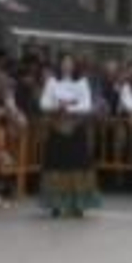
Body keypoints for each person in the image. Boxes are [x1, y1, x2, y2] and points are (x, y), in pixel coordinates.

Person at [38, 54, 100, 218]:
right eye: (64, 62)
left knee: (77, 165)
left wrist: (70, 108)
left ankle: (78, 204)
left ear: (74, 65)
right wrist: (57, 106)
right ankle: (56, 204)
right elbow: (43, 103)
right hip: (57, 128)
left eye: (69, 62)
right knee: (57, 165)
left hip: (76, 128)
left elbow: (86, 104)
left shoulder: (81, 83)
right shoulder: (52, 82)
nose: (66, 65)